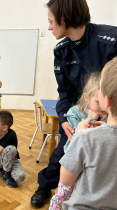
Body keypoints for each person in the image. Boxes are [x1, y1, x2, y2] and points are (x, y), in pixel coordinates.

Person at [31, 0, 117, 207]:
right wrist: (63, 121)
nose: (49, 27)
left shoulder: (110, 41)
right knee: (61, 154)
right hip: (78, 116)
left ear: (63, 18)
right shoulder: (61, 51)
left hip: (110, 118)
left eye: (51, 21)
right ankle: (45, 187)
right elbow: (64, 93)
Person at [51, 57, 117, 209]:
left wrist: (83, 133)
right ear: (87, 98)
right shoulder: (75, 113)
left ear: (107, 102)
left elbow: (66, 179)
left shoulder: (84, 137)